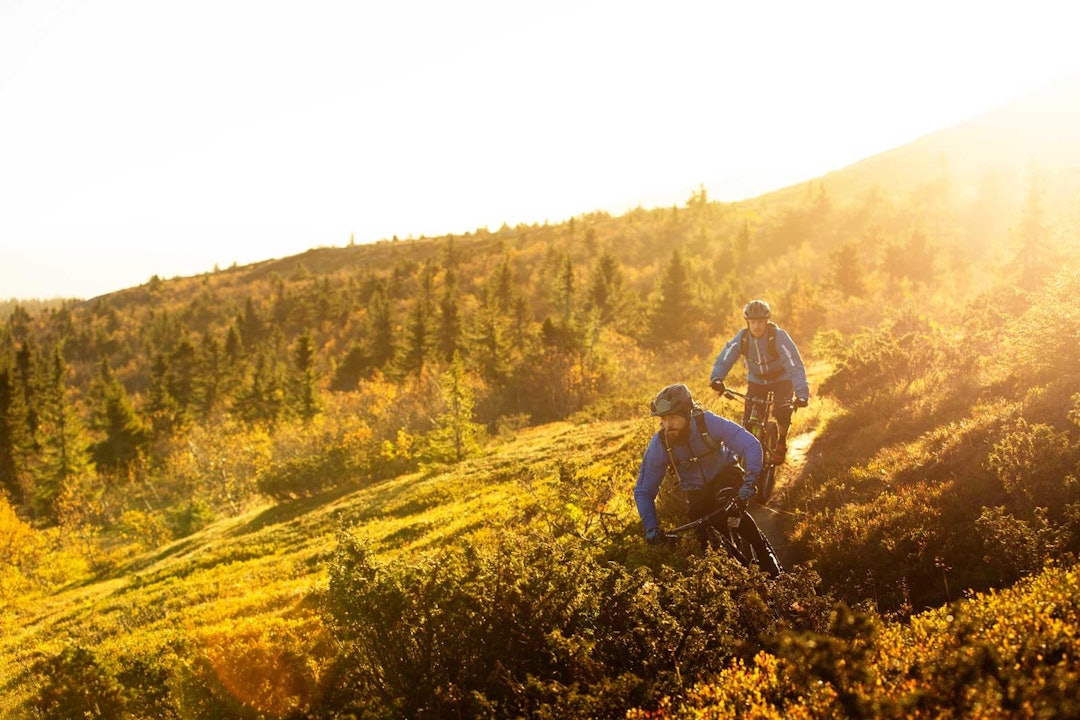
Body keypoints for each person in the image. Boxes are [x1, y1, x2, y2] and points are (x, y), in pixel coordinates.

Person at [633, 383, 763, 549]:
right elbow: (644, 490)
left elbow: (750, 444)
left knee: (730, 510)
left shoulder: (708, 423)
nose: (668, 425)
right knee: (704, 537)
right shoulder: (661, 443)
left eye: (672, 417)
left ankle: (764, 553)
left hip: (725, 474)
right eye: (663, 419)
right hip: (696, 490)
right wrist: (651, 527)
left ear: (687, 414)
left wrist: (750, 480)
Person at [709, 299, 809, 463]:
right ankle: (751, 450)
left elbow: (794, 363)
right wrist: (717, 378)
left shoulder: (778, 336)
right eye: (753, 322)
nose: (756, 326)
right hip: (757, 380)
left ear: (766, 321)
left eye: (760, 322)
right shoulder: (743, 338)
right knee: (749, 419)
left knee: (782, 410)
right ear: (747, 322)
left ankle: (781, 441)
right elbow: (726, 357)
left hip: (781, 378)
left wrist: (802, 393)